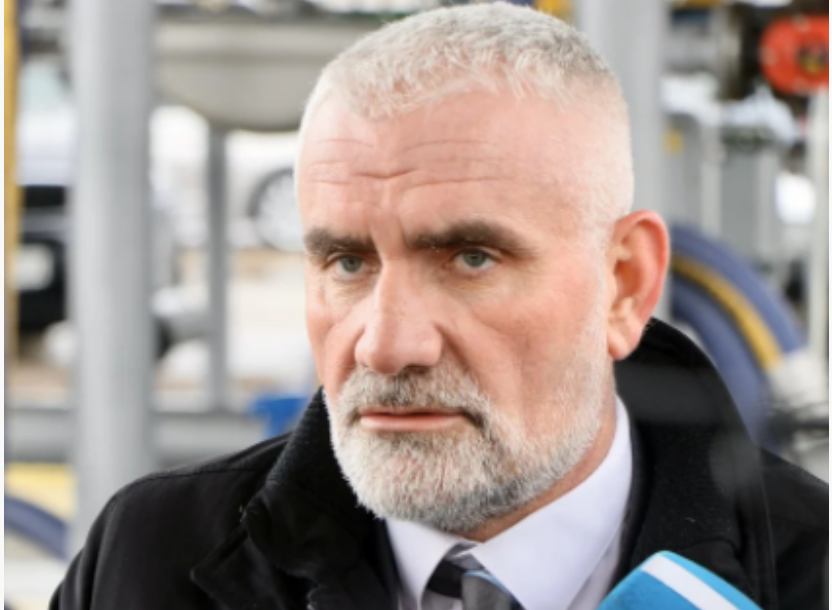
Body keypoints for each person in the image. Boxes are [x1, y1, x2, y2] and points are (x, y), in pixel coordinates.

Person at [51, 4, 827, 609]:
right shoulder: (149, 558)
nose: (386, 345)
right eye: (347, 262)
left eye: (471, 258)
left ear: (624, 284)